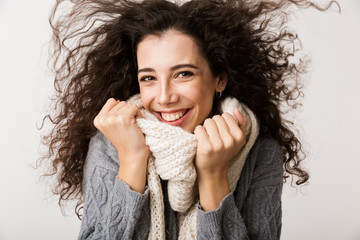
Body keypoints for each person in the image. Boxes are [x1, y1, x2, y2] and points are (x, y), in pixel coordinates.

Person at [39, 0, 338, 239]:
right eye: (149, 78)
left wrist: (213, 175)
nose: (165, 96)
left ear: (219, 79)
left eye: (183, 73)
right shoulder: (113, 141)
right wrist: (132, 159)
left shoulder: (260, 151)